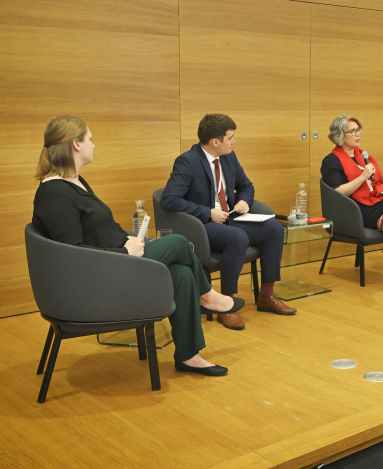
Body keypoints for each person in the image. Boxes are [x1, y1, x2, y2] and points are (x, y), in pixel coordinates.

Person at [32, 116, 242, 377]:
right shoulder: (55, 194)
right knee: (178, 242)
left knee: (182, 274)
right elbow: (72, 256)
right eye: (90, 139)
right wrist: (123, 251)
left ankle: (189, 356)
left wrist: (125, 238)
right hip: (98, 278)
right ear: (76, 145)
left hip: (114, 261)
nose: (94, 145)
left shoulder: (75, 182)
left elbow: (97, 229)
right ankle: (208, 296)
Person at [161, 113, 295, 330]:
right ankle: (226, 304)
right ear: (216, 142)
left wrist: (244, 201)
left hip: (230, 217)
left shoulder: (229, 157)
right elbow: (169, 199)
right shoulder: (188, 161)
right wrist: (207, 212)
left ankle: (266, 296)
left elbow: (246, 186)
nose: (234, 141)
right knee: (237, 237)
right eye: (230, 137)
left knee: (274, 229)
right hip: (202, 225)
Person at [320, 115, 383, 294]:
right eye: (353, 131)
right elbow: (337, 193)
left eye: (359, 130)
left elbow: (373, 184)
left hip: (373, 203)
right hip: (354, 210)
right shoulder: (331, 161)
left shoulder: (362, 155)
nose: (358, 134)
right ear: (340, 135)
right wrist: (363, 176)